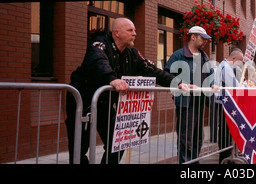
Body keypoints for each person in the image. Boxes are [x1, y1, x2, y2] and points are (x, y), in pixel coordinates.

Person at [65, 18, 188, 164]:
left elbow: (153, 71)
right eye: (130, 30)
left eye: (134, 30)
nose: (135, 34)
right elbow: (98, 61)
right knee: (79, 150)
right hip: (82, 104)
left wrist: (177, 83)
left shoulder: (132, 53)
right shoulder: (99, 44)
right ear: (116, 33)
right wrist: (112, 79)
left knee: (117, 143)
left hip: (104, 104)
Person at [164, 26, 217, 163]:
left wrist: (212, 84)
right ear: (193, 37)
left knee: (198, 136)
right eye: (202, 38)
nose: (205, 41)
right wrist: (183, 83)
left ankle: (194, 161)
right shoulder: (178, 55)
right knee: (185, 137)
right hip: (185, 103)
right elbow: (167, 75)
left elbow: (210, 73)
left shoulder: (204, 56)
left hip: (199, 101)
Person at [213, 48, 244, 163]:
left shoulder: (227, 67)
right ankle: (224, 156)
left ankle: (227, 155)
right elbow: (234, 84)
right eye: (240, 61)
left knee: (227, 130)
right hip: (223, 102)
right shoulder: (226, 67)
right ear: (234, 58)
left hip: (225, 102)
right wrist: (245, 88)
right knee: (225, 132)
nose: (240, 64)